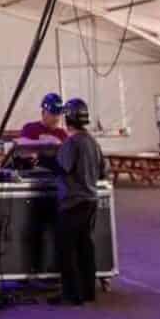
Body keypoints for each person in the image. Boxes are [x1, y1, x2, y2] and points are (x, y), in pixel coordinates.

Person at [50, 97, 109, 306]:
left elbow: (63, 168)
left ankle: (71, 294)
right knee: (86, 247)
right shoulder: (92, 142)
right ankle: (88, 291)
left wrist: (45, 161)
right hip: (91, 200)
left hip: (73, 202)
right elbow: (104, 171)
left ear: (68, 118)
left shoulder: (71, 142)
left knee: (67, 249)